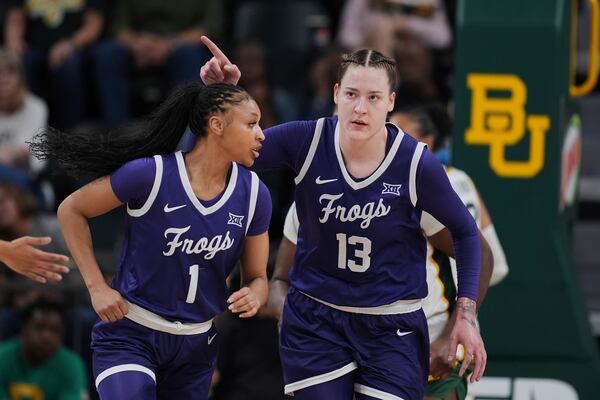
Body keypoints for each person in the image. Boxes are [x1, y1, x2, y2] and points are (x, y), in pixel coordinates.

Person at [200, 37, 486, 400]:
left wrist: (466, 314)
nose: (360, 108)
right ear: (335, 94)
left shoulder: (415, 163)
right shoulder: (307, 139)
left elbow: (466, 233)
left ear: (391, 102)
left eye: (373, 97)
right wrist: (222, 97)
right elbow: (236, 150)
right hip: (318, 317)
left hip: (391, 323)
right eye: (351, 94)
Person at [29, 82, 271, 399]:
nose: (262, 134)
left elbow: (258, 277)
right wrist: (97, 286)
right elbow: (72, 209)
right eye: (252, 123)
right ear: (217, 125)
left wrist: (254, 293)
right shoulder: (151, 175)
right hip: (131, 332)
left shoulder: (255, 194)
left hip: (196, 345)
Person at [92, 0, 222, 123]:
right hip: (138, 45)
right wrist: (135, 45)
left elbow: (210, 26)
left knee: (188, 55)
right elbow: (119, 25)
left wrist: (170, 44)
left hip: (181, 45)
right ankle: (116, 131)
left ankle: (186, 130)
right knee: (107, 54)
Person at [4, 0, 104, 130]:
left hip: (74, 47)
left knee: (68, 65)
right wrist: (13, 51)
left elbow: (94, 23)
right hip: (32, 49)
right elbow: (15, 19)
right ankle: (24, 132)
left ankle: (70, 134)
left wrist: (71, 44)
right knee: (21, 64)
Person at [0, 298, 89, 400]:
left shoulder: (72, 364)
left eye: (55, 330)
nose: (46, 336)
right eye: (39, 327)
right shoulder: (2, 356)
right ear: (23, 328)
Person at [0, 180, 69, 283]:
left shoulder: (52, 227)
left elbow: (75, 266)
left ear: (18, 199)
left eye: (1, 201)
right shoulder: (4, 237)